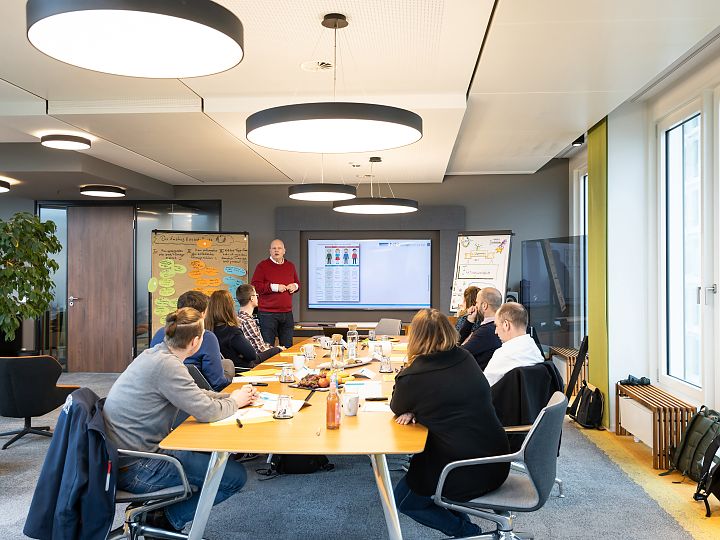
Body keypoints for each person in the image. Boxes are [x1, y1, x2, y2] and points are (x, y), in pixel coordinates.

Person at [103, 307, 258, 533]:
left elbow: (195, 393)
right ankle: (163, 520)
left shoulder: (155, 354)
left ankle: (158, 515)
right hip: (138, 467)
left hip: (125, 457)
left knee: (211, 460)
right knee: (233, 477)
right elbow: (207, 412)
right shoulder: (168, 366)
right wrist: (235, 402)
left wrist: (230, 397)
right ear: (196, 341)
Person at [390, 309, 510, 538]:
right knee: (412, 487)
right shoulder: (464, 357)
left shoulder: (414, 375)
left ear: (415, 337)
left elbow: (397, 405)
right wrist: (417, 406)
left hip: (460, 469)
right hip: (496, 460)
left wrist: (412, 406)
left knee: (405, 502)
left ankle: (468, 533)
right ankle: (468, 531)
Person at [150, 290, 233, 391]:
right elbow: (217, 382)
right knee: (228, 364)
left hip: (162, 389)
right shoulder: (206, 336)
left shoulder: (160, 333)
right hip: (200, 390)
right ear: (202, 314)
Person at [206, 290, 276, 369]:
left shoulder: (208, 330)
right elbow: (252, 355)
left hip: (226, 369)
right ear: (229, 307)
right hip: (244, 369)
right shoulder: (232, 331)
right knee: (277, 351)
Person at [250, 239, 299, 348]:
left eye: (279, 248)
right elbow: (255, 286)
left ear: (284, 251)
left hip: (287, 313)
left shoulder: (290, 266)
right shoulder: (262, 266)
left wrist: (294, 286)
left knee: (288, 347)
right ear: (270, 251)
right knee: (268, 347)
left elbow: (297, 284)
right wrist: (275, 287)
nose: (276, 250)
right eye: (274, 248)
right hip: (267, 314)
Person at [483, 302, 545, 387]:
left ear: (506, 325)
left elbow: (483, 387)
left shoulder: (502, 354)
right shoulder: (536, 351)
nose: (496, 332)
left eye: (496, 326)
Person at [458, 287, 503, 370]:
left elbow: (457, 354)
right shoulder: (502, 327)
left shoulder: (485, 332)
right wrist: (470, 320)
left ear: (484, 305)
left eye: (477, 303)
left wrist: (468, 323)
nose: (475, 306)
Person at [235, 284, 284, 357]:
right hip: (258, 359)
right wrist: (278, 349)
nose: (257, 298)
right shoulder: (248, 321)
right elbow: (260, 349)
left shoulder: (238, 318)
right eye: (256, 295)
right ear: (252, 298)